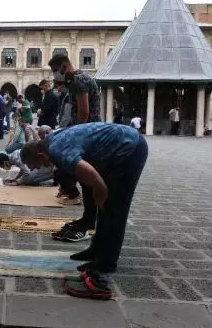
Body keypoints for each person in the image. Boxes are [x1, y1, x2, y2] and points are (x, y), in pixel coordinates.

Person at [20, 123, 148, 299]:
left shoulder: (57, 150)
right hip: (113, 149)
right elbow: (85, 181)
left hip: (129, 147)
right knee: (103, 204)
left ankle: (106, 264)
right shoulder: (51, 142)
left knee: (114, 207)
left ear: (41, 155)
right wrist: (89, 215)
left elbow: (97, 183)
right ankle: (96, 250)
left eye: (35, 165)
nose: (36, 170)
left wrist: (101, 197)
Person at [48, 53, 101, 241]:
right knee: (84, 180)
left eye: (55, 71)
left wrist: (75, 138)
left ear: (64, 66)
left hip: (88, 135)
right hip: (89, 134)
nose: (55, 76)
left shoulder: (78, 80)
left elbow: (84, 112)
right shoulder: (77, 80)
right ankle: (88, 219)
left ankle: (89, 221)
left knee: (84, 179)